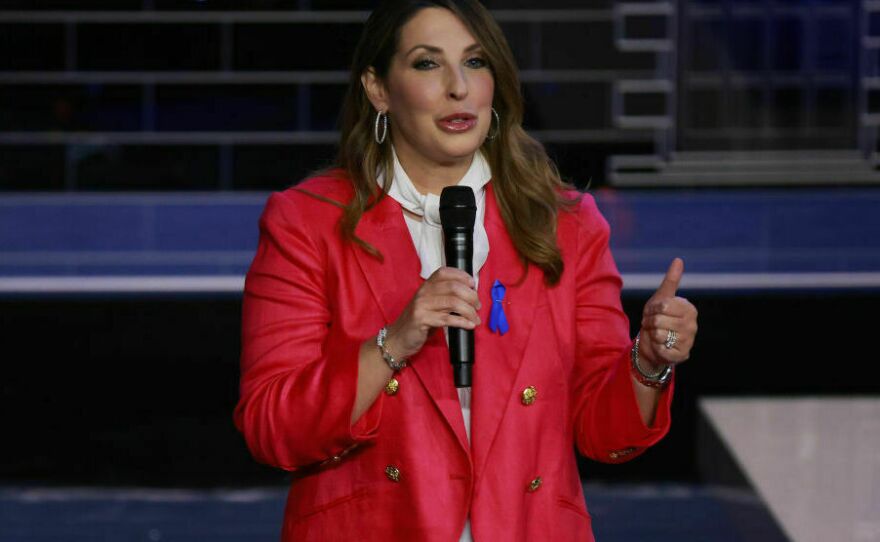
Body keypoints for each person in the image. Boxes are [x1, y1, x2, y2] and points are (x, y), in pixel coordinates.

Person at [233, 1, 698, 540]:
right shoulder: (307, 222)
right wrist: (393, 343)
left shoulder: (566, 223)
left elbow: (605, 435)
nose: (459, 88)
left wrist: (647, 363)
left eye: (475, 62)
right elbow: (272, 428)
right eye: (428, 63)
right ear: (379, 89)